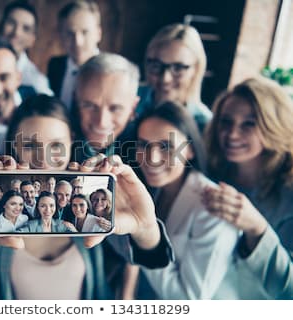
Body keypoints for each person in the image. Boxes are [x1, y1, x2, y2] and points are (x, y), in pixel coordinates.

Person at [0, 94, 173, 299]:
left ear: (72, 145)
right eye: (30, 145)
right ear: (14, 147)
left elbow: (153, 259)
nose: (44, 158)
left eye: (56, 145)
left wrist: (146, 227)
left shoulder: (92, 202)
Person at [124, 101, 238, 299]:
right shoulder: (146, 192)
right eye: (143, 145)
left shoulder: (213, 207)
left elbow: (189, 300)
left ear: (191, 149)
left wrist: (147, 245)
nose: (152, 157)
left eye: (166, 146)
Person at [202, 77, 293, 299]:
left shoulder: (289, 196)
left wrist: (257, 230)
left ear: (273, 125)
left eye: (249, 124)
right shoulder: (209, 173)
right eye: (226, 121)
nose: (232, 134)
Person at [138, 23, 212, 132]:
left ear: (196, 70)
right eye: (156, 65)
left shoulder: (205, 125)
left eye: (178, 68)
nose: (165, 78)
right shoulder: (127, 99)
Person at [71, 52, 140, 164]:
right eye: (89, 106)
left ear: (133, 108)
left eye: (115, 108)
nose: (101, 122)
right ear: (75, 101)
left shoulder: (147, 150)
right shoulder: (55, 142)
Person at [47, 0, 102, 108]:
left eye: (85, 32)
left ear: (98, 34)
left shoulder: (111, 73)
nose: (78, 42)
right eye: (69, 33)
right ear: (60, 35)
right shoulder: (55, 65)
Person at [0, 0, 53, 95]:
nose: (16, 33)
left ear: (32, 39)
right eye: (11, 23)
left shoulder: (37, 83)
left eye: (26, 28)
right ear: (0, 27)